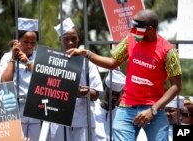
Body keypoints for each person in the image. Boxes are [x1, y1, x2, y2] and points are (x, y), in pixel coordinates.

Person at [66, 9, 182, 141]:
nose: (132, 30)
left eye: (137, 27)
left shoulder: (169, 51)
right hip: (127, 108)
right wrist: (86, 53)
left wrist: (153, 110)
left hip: (154, 109)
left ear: (150, 29)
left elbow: (176, 87)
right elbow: (112, 63)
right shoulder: (131, 39)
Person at [48, 17, 103, 141]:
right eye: (66, 39)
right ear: (60, 40)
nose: (71, 43)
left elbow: (96, 94)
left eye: (74, 39)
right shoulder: (51, 61)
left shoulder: (88, 63)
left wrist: (86, 91)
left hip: (83, 119)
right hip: (59, 117)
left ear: (79, 39)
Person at [0, 18, 40, 141]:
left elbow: (45, 79)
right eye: (25, 42)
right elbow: (4, 83)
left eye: (33, 43)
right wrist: (13, 58)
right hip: (14, 108)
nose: (29, 46)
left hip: (36, 108)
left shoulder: (39, 57)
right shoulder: (7, 57)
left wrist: (27, 63)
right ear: (18, 41)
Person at [94, 68, 125, 141]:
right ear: (104, 90)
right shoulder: (93, 110)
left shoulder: (121, 114)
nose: (113, 98)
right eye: (111, 93)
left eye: (117, 95)